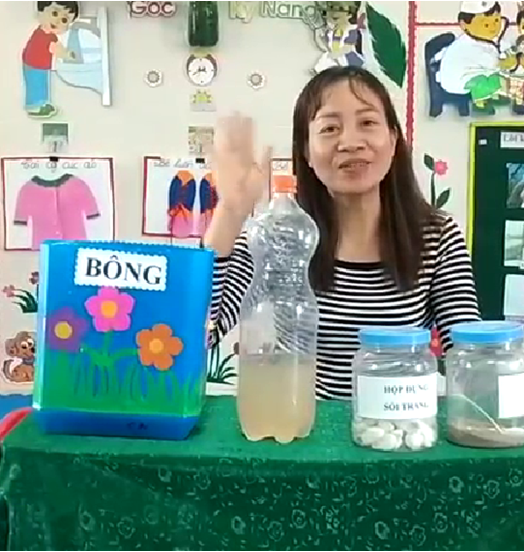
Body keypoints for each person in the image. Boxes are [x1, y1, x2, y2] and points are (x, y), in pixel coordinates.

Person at [204, 66, 481, 400]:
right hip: (305, 421)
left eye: (367, 123)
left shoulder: (437, 236)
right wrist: (230, 212)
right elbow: (200, 335)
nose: (350, 143)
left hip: (399, 421)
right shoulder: (279, 237)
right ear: (306, 152)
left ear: (393, 140)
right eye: (330, 128)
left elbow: (469, 355)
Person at [22, 1, 79, 118]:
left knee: (39, 84)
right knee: (37, 85)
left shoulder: (41, 32)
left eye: (64, 20)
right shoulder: (48, 37)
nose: (57, 21)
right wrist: (68, 54)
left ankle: (40, 103)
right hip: (35, 64)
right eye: (54, 13)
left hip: (35, 64)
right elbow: (57, 50)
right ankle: (34, 106)